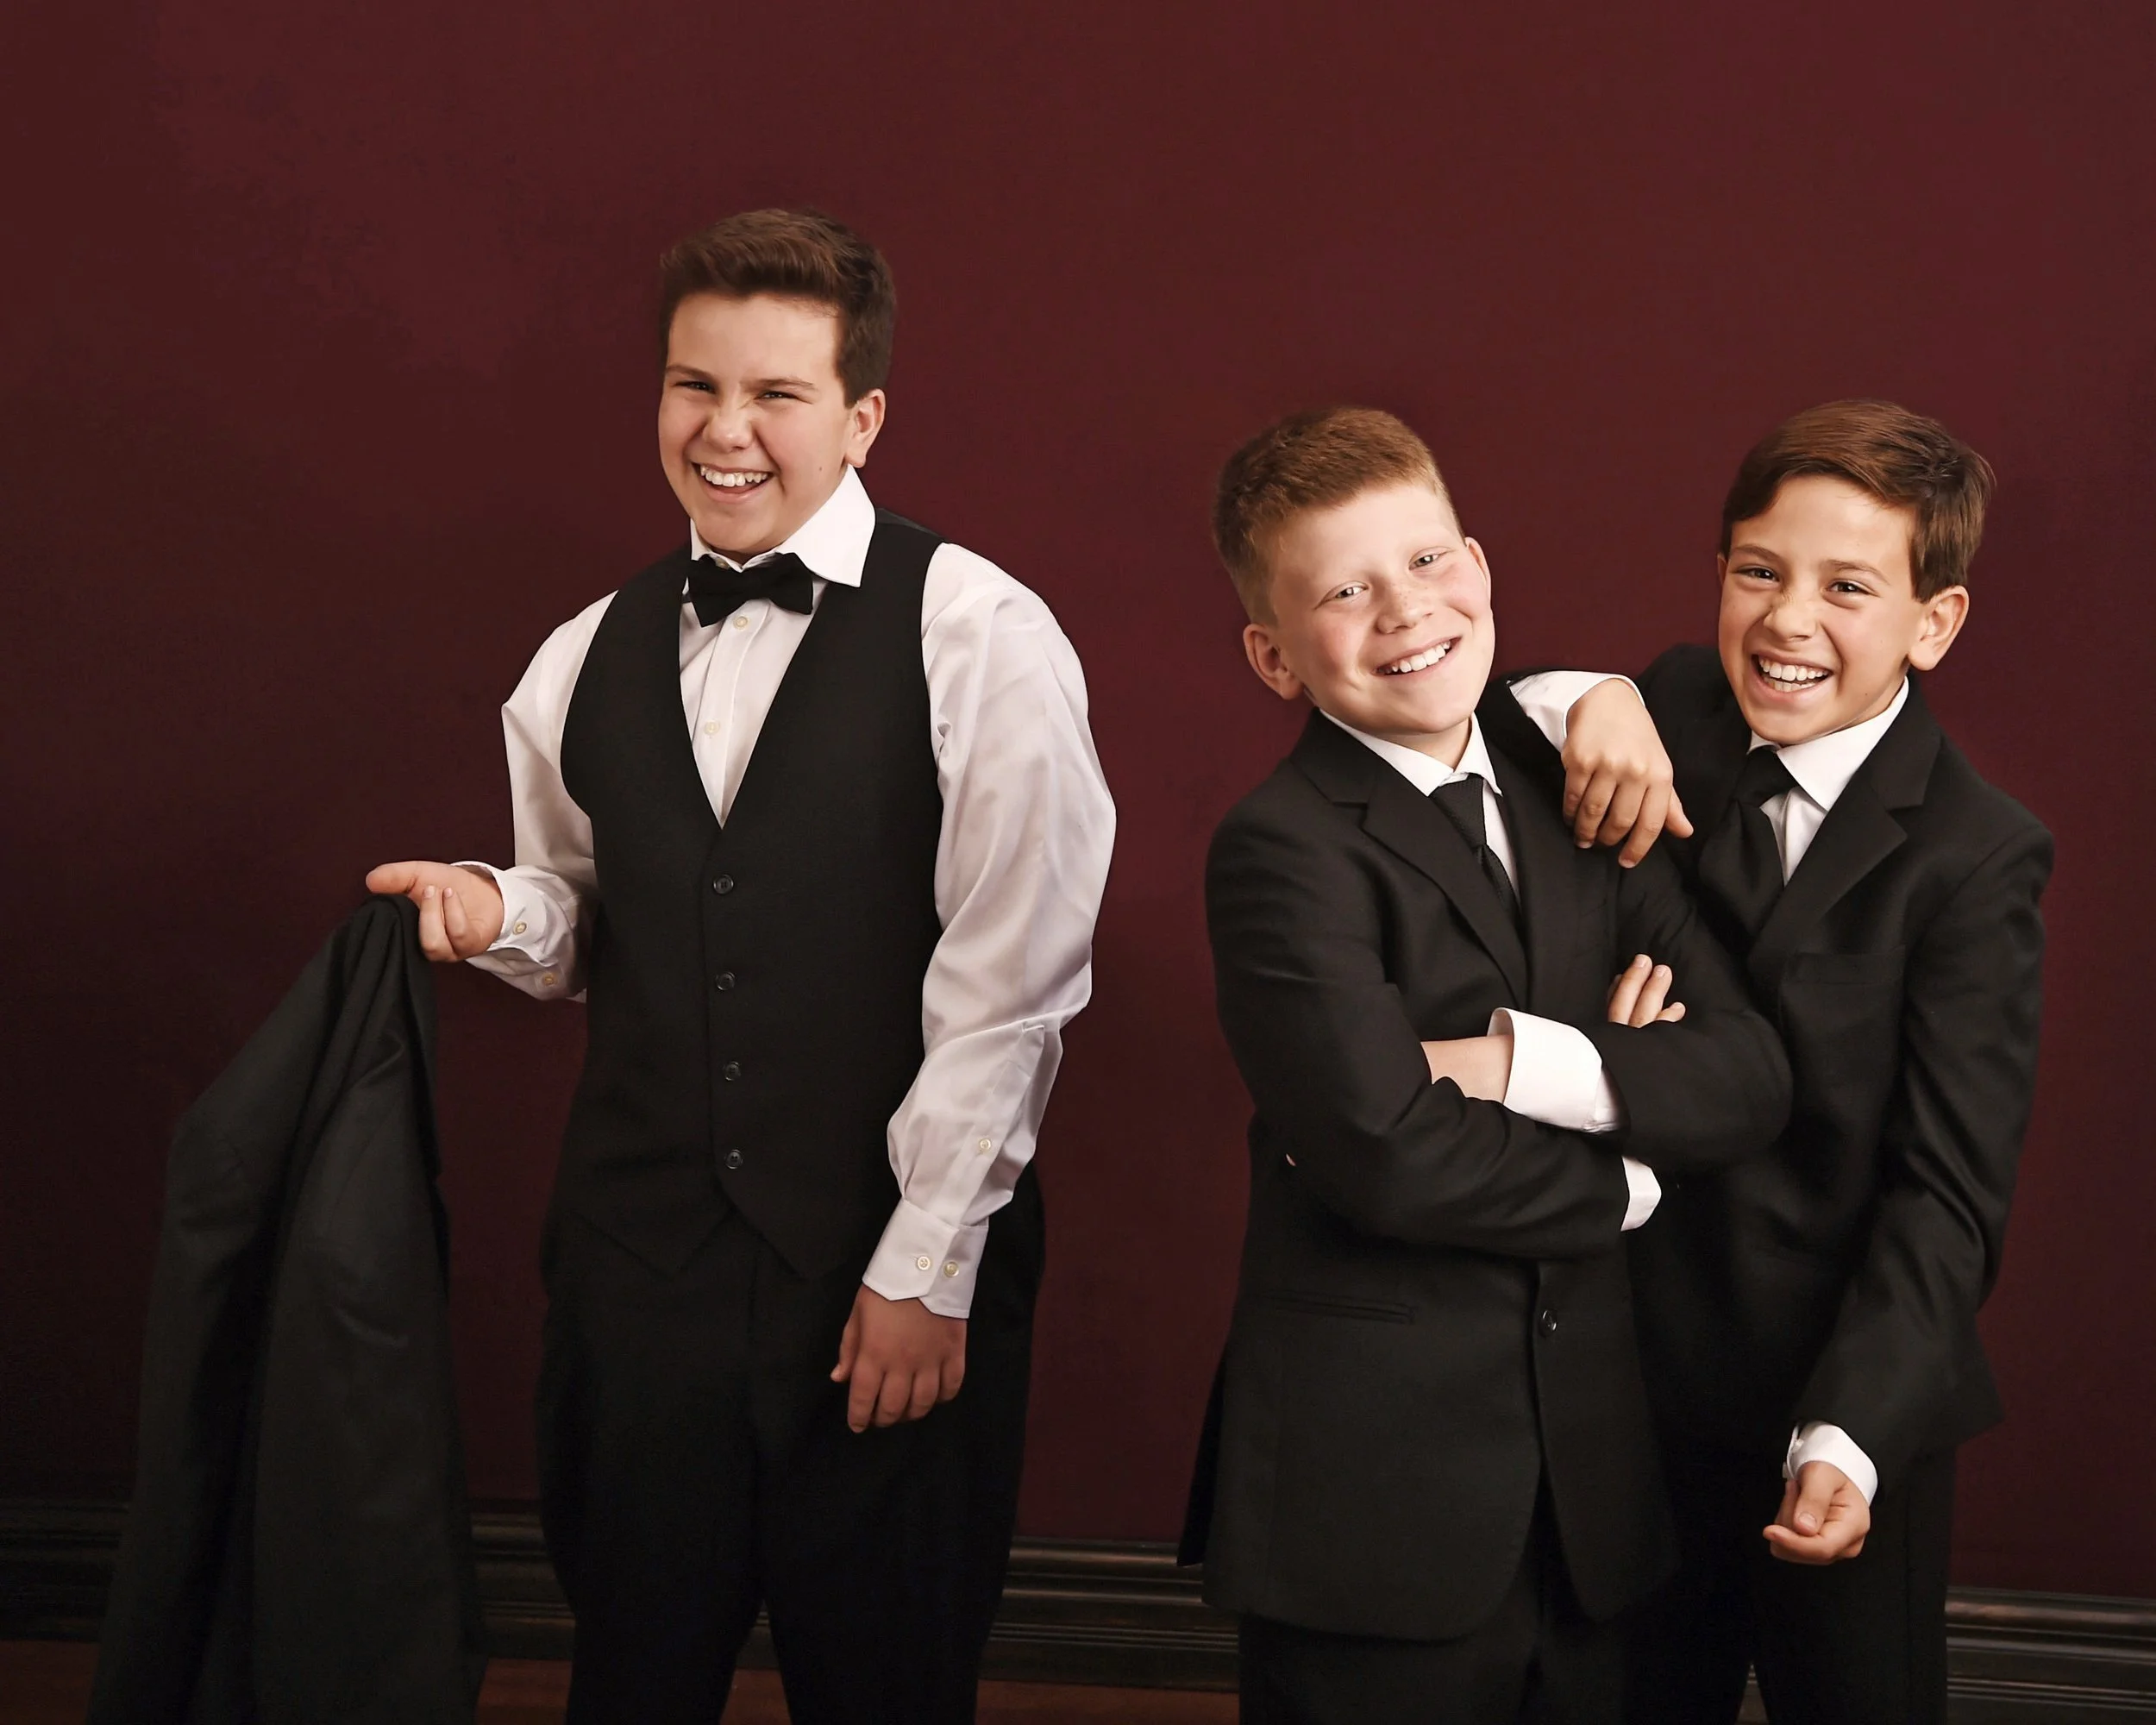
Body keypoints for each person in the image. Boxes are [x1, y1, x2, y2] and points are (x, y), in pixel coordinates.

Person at [368, 208, 1115, 1723]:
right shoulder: (584, 652)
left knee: (888, 1684)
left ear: (862, 417)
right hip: (640, 1274)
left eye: (776, 393)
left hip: (882, 1267)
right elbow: (595, 911)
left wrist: (925, 1266)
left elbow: (1013, 980)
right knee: (632, 1671)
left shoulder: (979, 630)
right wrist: (490, 908)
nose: (725, 430)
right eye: (692, 385)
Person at [1181, 405, 1790, 1723]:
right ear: (1272, 655)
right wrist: (1628, 1178)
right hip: (1374, 1502)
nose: (1405, 610)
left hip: (1596, 1495)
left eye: (1426, 561)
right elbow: (1389, 1154)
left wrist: (1532, 1065)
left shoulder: (1584, 791)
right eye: (1344, 589)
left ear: (1481, 566)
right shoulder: (1282, 851)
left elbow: (1750, 1075)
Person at [1509, 399, 2052, 1724]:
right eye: (1758, 571)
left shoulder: (1976, 855)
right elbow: (1498, 715)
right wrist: (1595, 694)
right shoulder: (1675, 705)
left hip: (1843, 1387)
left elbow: (1948, 1191)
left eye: (1847, 588)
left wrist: (1851, 1438)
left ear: (1936, 624)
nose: (1786, 620)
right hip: (1631, 1384)